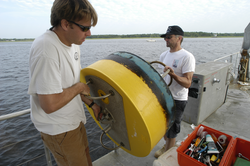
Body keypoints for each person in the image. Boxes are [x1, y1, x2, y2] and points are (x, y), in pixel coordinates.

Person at [28, 0, 100, 165]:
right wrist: (80, 87)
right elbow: (49, 104)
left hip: (74, 120)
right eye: (85, 28)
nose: (88, 33)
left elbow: (71, 81)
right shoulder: (46, 49)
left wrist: (91, 104)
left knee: (86, 159)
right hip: (59, 129)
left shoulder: (73, 43)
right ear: (66, 24)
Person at [154, 25, 196, 158]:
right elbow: (163, 78)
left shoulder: (187, 57)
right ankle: (167, 145)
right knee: (164, 126)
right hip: (165, 97)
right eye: (165, 37)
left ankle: (167, 155)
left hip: (178, 99)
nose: (166, 39)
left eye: (169, 37)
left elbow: (188, 83)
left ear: (179, 38)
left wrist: (173, 75)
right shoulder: (163, 55)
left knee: (172, 129)